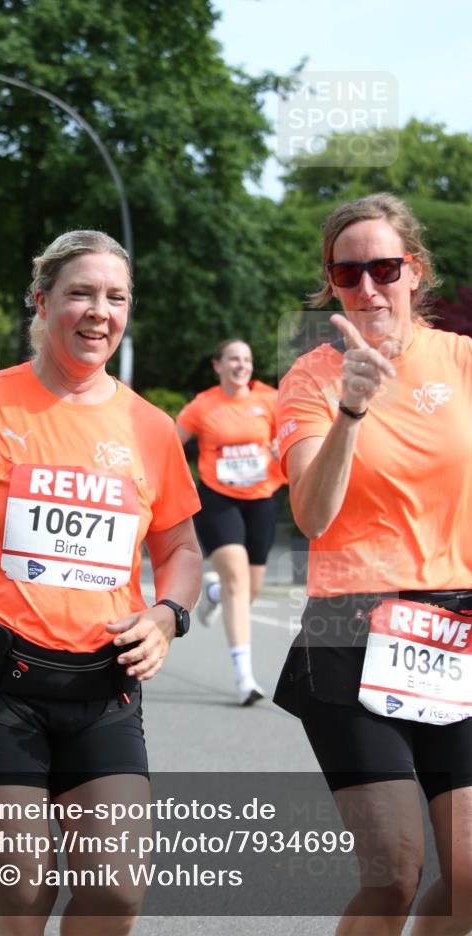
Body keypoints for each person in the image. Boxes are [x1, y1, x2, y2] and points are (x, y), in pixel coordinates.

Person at [0, 230, 202, 936]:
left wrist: (168, 614)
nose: (97, 312)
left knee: (113, 892)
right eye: (79, 293)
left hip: (101, 684)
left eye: (115, 297)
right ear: (41, 300)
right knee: (22, 895)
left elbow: (180, 547)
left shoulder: (150, 428)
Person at [274, 193, 472, 935]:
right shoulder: (311, 380)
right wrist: (351, 411)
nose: (366, 288)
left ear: (413, 272)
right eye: (345, 272)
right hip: (350, 629)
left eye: (382, 268)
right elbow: (311, 514)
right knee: (392, 870)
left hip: (454, 633)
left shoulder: (460, 362)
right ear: (329, 284)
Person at [176, 339, 285, 705]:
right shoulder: (203, 406)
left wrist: (280, 448)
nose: (241, 365)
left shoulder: (270, 400)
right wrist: (178, 480)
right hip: (218, 500)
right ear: (217, 365)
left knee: (247, 589)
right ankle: (245, 678)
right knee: (237, 578)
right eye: (233, 359)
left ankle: (214, 593)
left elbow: (296, 437)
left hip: (263, 499)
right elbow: (170, 444)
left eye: (247, 359)